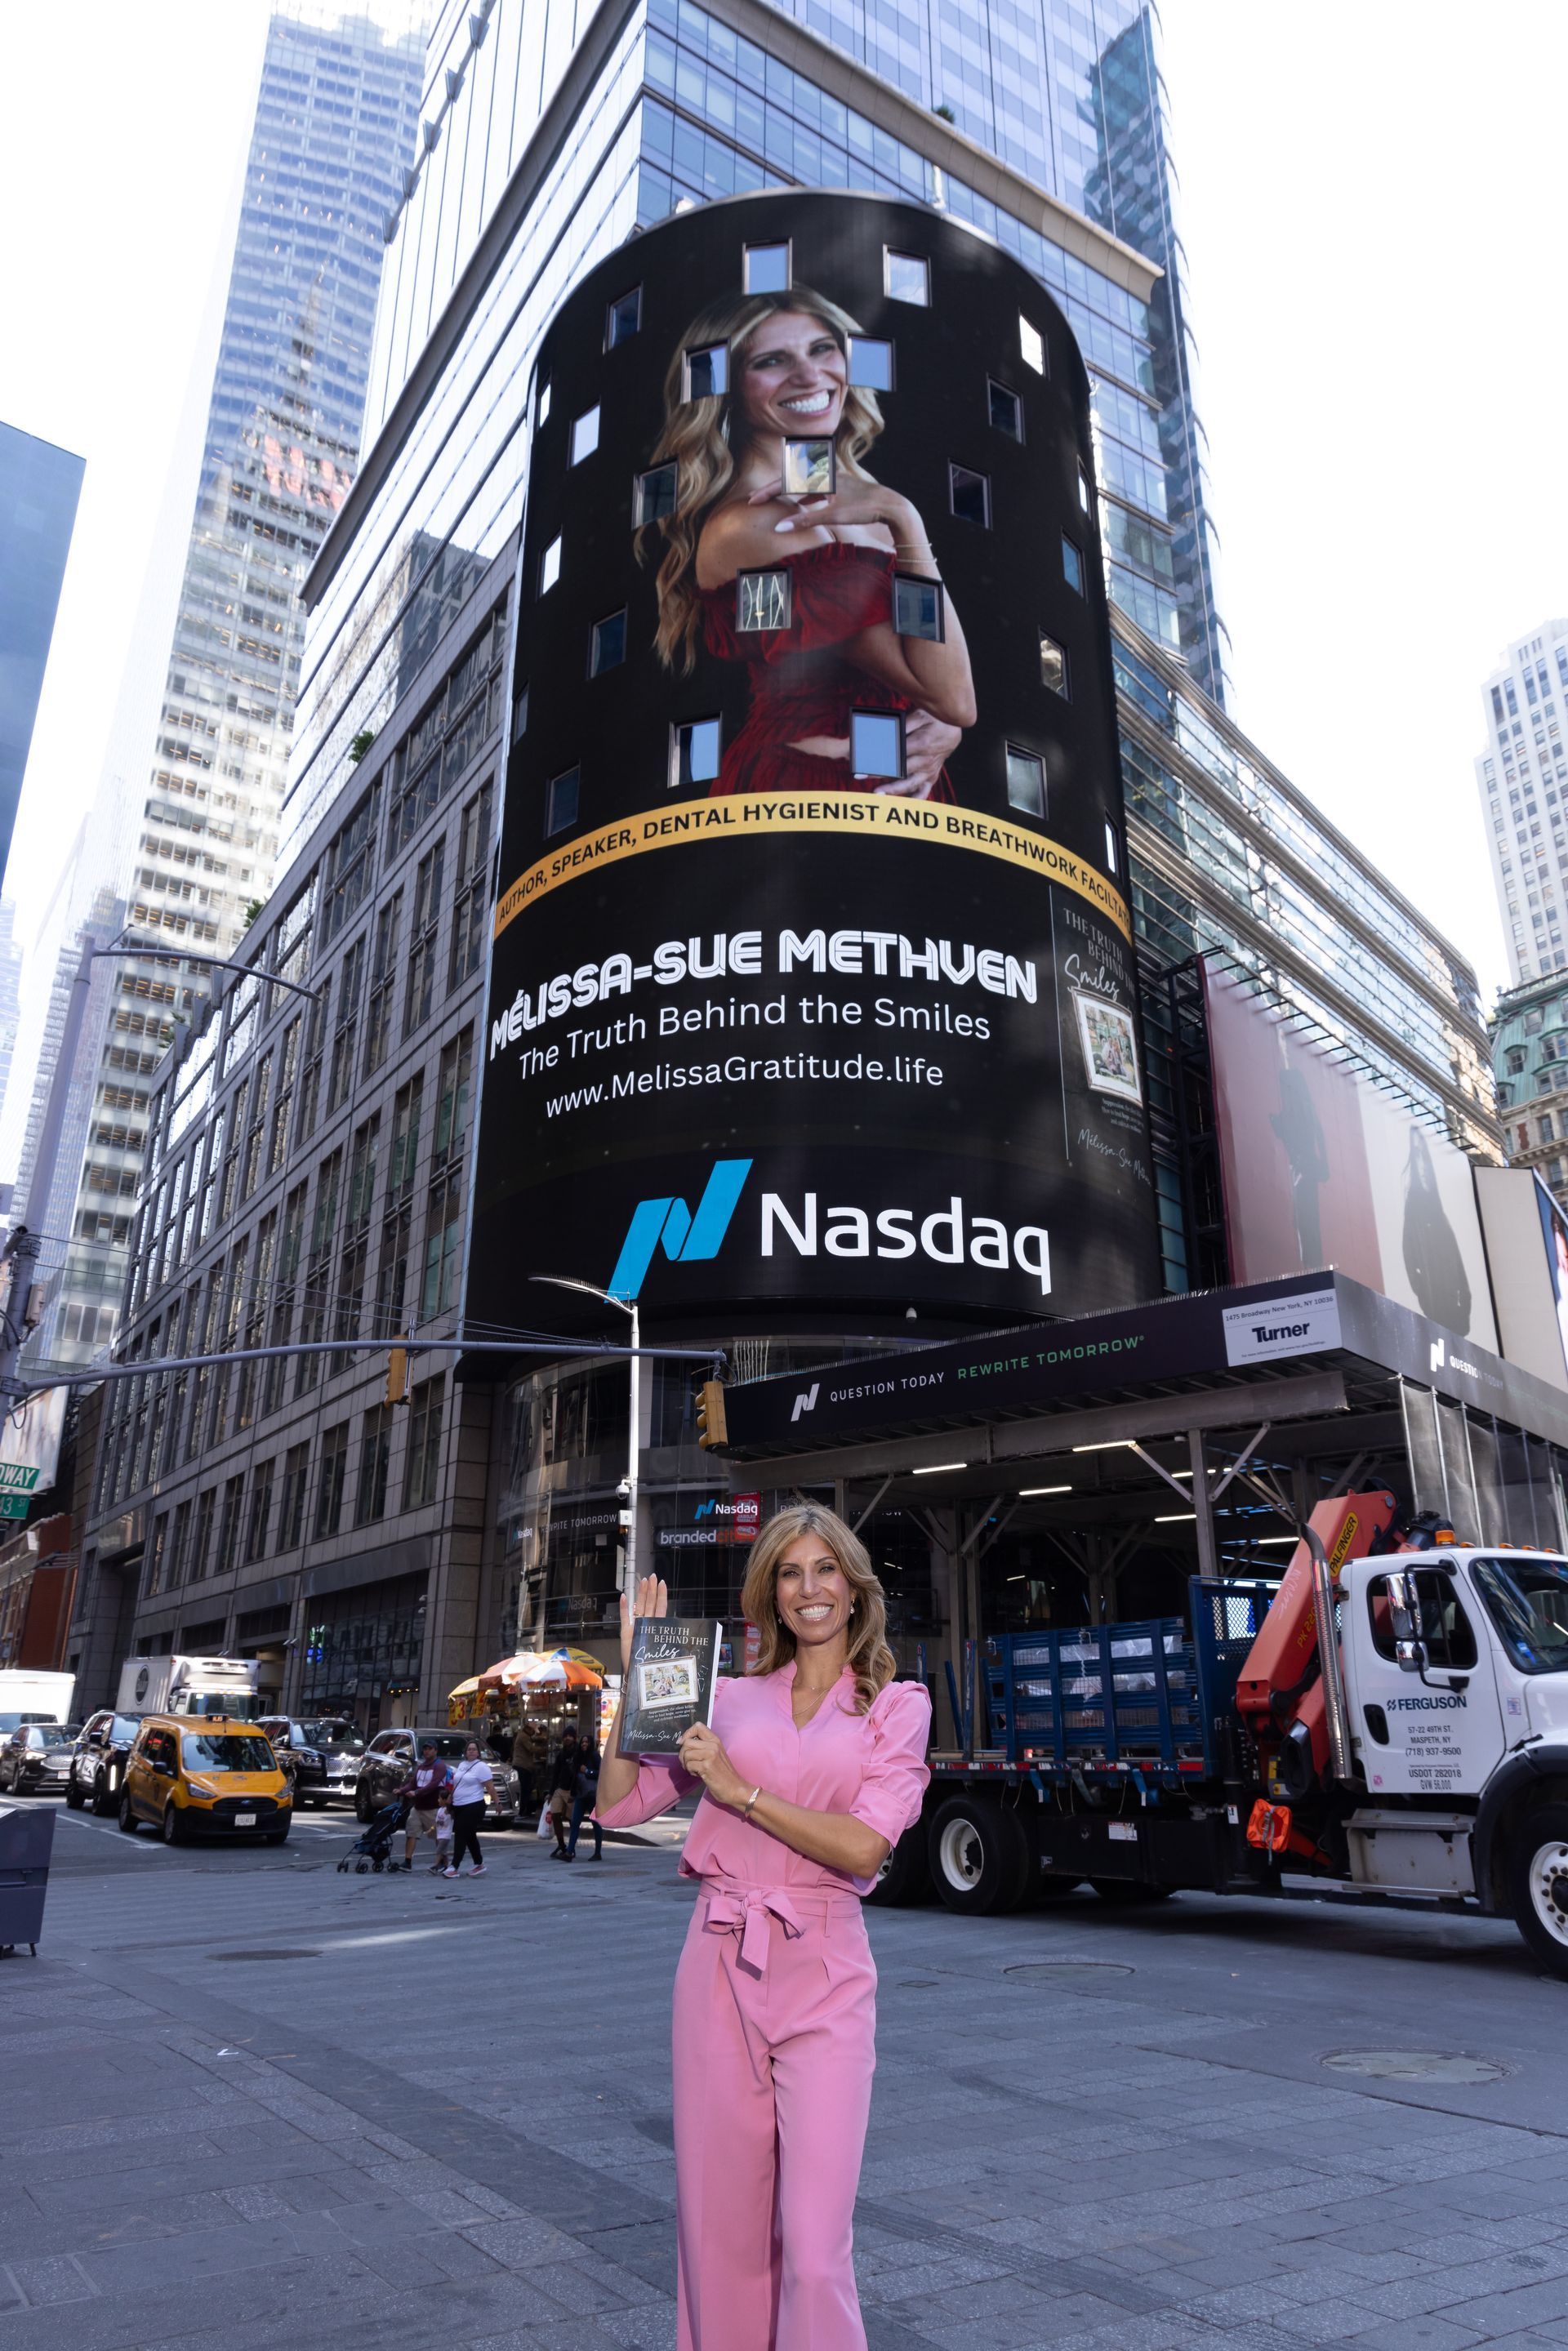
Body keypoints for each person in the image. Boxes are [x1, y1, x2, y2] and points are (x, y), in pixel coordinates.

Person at [597, 1504, 930, 2350]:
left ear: (854, 1589)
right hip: (716, 1962)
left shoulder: (895, 1705)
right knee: (720, 2230)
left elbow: (863, 1844)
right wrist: (640, 1681)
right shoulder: (732, 1699)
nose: (809, 1587)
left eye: (825, 1569)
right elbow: (616, 1805)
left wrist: (739, 1788)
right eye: (790, 1571)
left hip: (825, 1971)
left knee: (816, 2249)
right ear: (771, 1595)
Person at [639, 287, 975, 801]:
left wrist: (940, 721)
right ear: (731, 389)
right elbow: (952, 695)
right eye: (773, 361)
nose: (809, 375)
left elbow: (937, 687)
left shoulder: (859, 507)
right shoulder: (746, 531)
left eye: (822, 349)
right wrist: (905, 519)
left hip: (901, 791)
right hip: (804, 794)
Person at [396, 1742, 454, 1874]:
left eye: (430, 1749)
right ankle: (407, 1861)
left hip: (433, 1807)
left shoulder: (439, 1766)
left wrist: (416, 1793)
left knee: (439, 1837)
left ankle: (443, 1863)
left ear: (435, 1751)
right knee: (411, 1832)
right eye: (425, 1749)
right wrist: (401, 1791)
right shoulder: (422, 1766)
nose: (427, 1751)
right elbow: (413, 1784)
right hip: (418, 1807)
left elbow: (433, 1785)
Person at [446, 1738, 493, 1878]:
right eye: (469, 1749)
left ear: (478, 1753)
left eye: (474, 1749)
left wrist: (497, 1803)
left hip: (474, 1805)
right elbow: (457, 1783)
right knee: (470, 1835)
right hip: (459, 1805)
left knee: (461, 1834)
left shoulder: (482, 1767)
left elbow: (490, 1786)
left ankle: (454, 1866)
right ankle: (478, 1864)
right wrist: (451, 1796)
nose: (471, 1751)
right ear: (465, 1752)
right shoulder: (462, 1765)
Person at [565, 1734, 602, 1863]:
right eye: (582, 1742)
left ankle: (598, 1853)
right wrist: (572, 1793)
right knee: (575, 1822)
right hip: (581, 1795)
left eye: (586, 1742)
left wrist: (587, 1772)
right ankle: (569, 1852)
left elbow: (602, 1773)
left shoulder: (595, 1756)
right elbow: (574, 1777)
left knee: (596, 1824)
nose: (584, 1744)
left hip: (592, 1795)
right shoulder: (578, 1757)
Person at [546, 1728, 578, 1859]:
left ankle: (571, 1848)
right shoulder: (561, 1754)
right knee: (555, 1815)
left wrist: (574, 1792)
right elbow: (555, 1774)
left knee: (572, 1820)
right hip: (560, 1789)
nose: (567, 1738)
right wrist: (551, 1792)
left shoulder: (578, 1753)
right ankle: (561, 1844)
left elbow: (577, 1775)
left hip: (572, 1791)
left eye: (570, 1736)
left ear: (574, 1738)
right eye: (566, 1736)